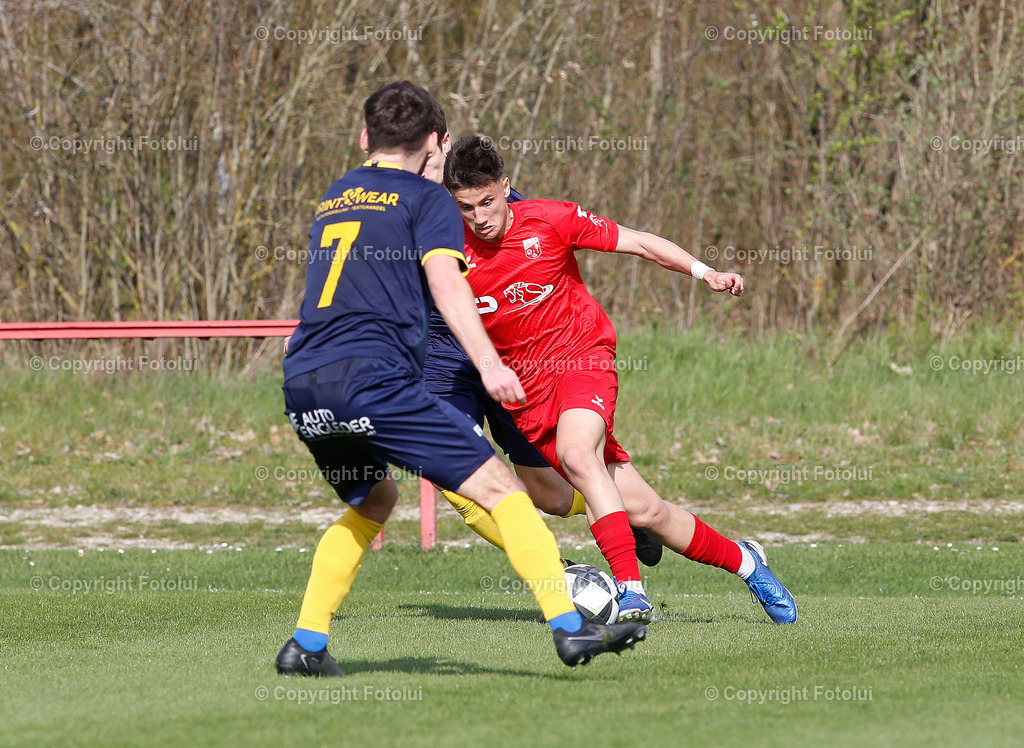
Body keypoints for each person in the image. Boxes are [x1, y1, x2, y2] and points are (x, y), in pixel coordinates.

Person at [275, 82, 646, 677]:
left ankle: (307, 644)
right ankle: (571, 628)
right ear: (432, 143)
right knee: (502, 491)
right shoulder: (428, 200)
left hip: (306, 377)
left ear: (365, 138)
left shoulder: (338, 193)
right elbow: (449, 286)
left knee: (376, 499)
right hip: (377, 378)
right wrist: (492, 364)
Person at [443, 135, 798, 625]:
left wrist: (704, 272)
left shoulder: (548, 219)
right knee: (648, 512)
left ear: (506, 187)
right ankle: (746, 561)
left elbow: (638, 242)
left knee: (576, 453)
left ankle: (631, 591)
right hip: (530, 397)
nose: (480, 217)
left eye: (487, 201)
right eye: (466, 207)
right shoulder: (448, 256)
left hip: (583, 358)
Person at [420, 104, 664, 572]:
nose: (418, 171)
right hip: (443, 358)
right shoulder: (400, 213)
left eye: (427, 160)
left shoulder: (495, 206)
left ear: (445, 145)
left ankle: (626, 515)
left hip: (507, 354)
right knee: (450, 467)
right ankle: (558, 571)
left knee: (549, 492)